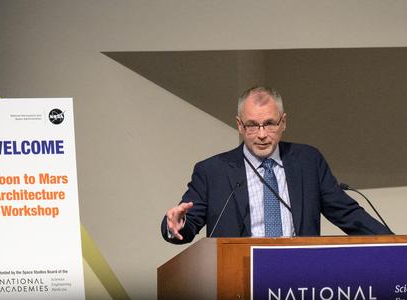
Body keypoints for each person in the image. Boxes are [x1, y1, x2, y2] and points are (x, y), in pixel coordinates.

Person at [162, 86, 389, 243]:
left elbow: (347, 214)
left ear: (283, 122)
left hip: (299, 281)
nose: (261, 134)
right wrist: (177, 225)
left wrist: (401, 245)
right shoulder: (213, 172)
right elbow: (186, 223)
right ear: (240, 125)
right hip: (238, 281)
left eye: (269, 124)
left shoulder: (308, 161)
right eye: (252, 125)